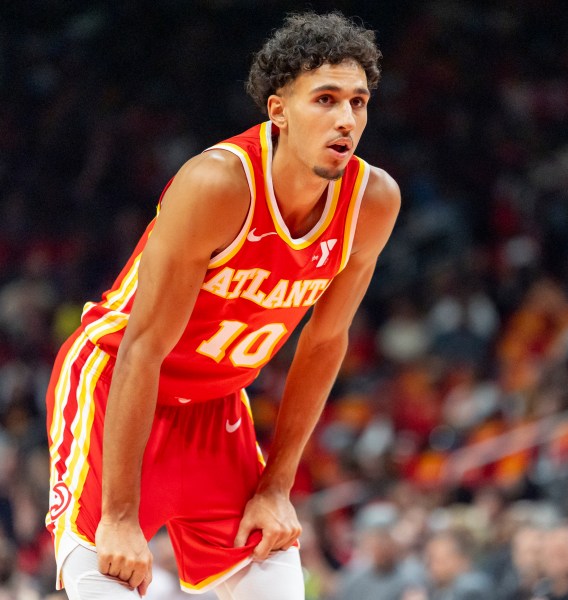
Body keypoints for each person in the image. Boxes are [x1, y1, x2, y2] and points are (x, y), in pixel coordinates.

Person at [45, 11, 400, 600]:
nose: (346, 119)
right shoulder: (218, 184)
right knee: (104, 585)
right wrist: (120, 513)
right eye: (326, 99)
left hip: (215, 404)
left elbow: (325, 341)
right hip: (118, 386)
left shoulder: (373, 201)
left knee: (278, 586)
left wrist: (276, 485)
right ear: (279, 110)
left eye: (358, 102)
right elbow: (142, 346)